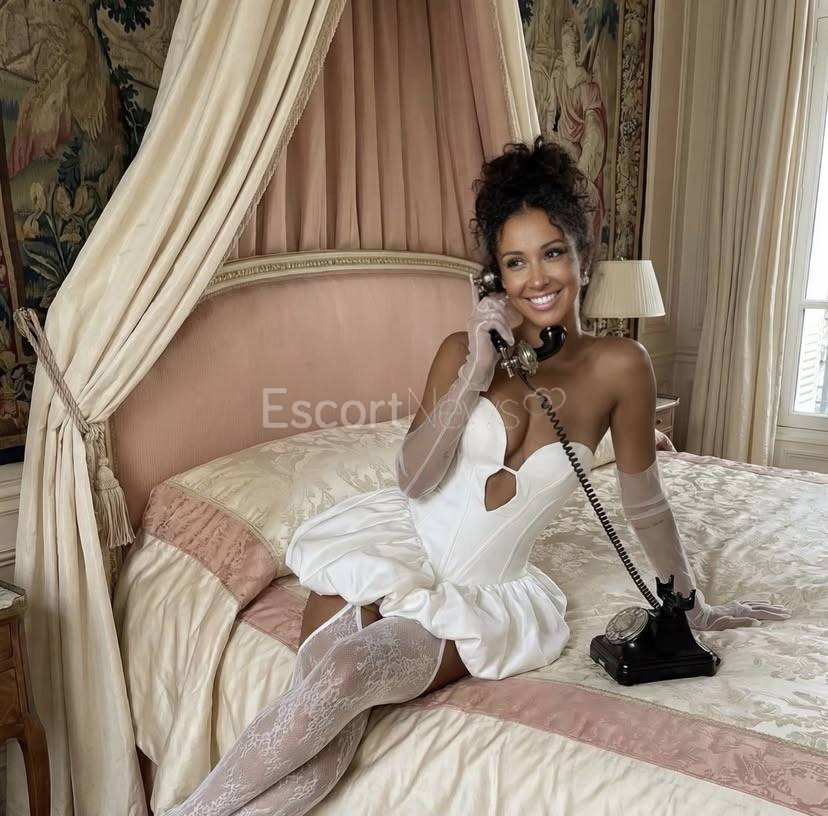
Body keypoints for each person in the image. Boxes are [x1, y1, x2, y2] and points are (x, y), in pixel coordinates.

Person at [165, 137, 791, 816]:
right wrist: (474, 374)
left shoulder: (620, 365)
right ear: (494, 278)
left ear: (582, 255)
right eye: (515, 262)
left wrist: (690, 604)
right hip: (390, 547)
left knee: (346, 674)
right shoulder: (459, 354)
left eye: (551, 253)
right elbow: (414, 480)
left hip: (483, 589)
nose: (537, 278)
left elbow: (646, 505)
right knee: (330, 721)